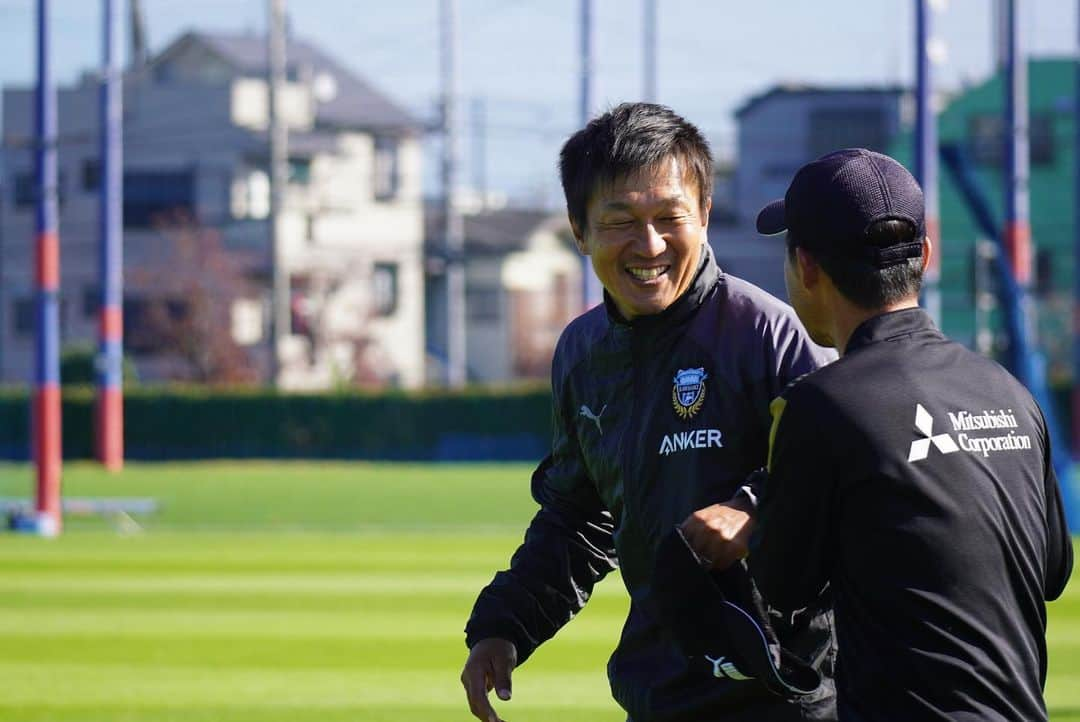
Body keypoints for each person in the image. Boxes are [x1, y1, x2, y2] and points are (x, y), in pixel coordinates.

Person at [459, 102, 838, 722]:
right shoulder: (582, 354)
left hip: (787, 695)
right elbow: (578, 519)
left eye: (670, 217)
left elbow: (844, 487)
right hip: (662, 693)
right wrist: (504, 625)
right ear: (578, 231)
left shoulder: (769, 336)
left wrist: (753, 511)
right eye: (620, 221)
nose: (650, 244)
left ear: (706, 216)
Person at [741, 148, 1074, 721]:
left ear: (807, 267)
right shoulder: (1010, 393)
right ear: (924, 254)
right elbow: (1053, 572)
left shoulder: (820, 406)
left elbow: (782, 589)